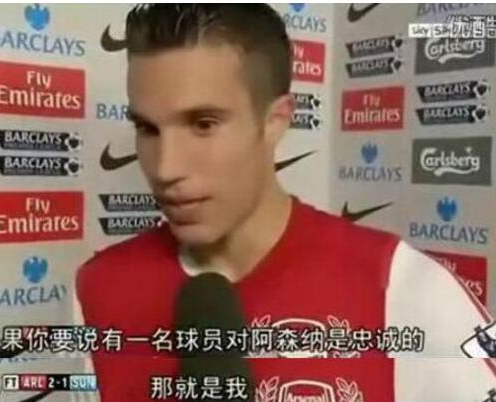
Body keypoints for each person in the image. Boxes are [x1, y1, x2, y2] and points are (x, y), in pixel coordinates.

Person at [76, 4, 496, 402]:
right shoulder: (96, 291)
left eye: (203, 125)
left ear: (275, 120)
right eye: (148, 129)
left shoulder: (404, 289)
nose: (166, 167)